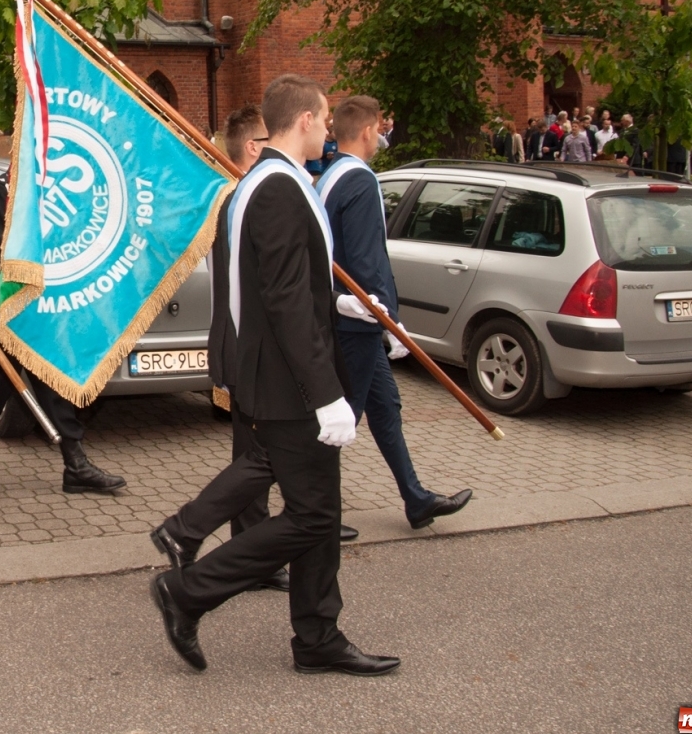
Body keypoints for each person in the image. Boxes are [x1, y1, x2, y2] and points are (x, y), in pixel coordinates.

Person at [150, 75, 398, 677]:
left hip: (278, 375)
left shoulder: (264, 182)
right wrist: (327, 394)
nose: (328, 130)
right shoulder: (280, 188)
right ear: (305, 120)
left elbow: (279, 288)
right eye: (324, 118)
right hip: (289, 383)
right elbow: (284, 302)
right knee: (313, 516)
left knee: (319, 512)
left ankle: (317, 635)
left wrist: (341, 305)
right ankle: (189, 591)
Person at [152, 105, 335, 599]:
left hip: (248, 349)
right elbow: (267, 291)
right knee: (262, 456)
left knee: (260, 456)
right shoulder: (250, 195)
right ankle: (196, 536)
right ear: (254, 146)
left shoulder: (247, 193)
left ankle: (197, 533)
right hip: (254, 351)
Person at [318, 97, 471, 531]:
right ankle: (317, 514)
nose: (381, 136)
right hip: (359, 321)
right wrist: (388, 318)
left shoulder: (329, 177)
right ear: (368, 131)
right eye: (380, 128)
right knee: (343, 418)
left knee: (386, 407)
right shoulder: (360, 180)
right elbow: (366, 260)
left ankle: (415, 499)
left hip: (351, 316)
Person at [0, 168, 127, 497]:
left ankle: (76, 464)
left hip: (45, 306)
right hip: (10, 303)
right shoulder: (2, 188)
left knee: (53, 379)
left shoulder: (52, 190)